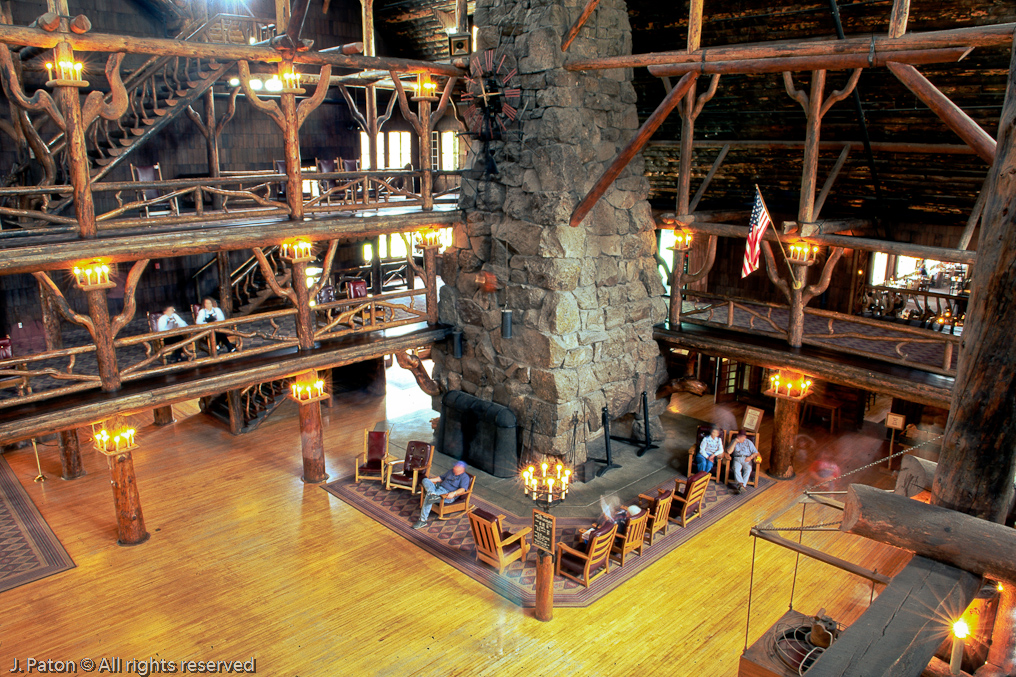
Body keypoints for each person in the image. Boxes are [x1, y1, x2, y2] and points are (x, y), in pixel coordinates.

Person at [413, 461, 471, 529]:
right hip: (438, 488)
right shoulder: (451, 471)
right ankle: (432, 493)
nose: (454, 468)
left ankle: (423, 520)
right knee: (425, 480)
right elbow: (440, 478)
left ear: (462, 469)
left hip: (447, 494)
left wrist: (454, 493)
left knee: (429, 498)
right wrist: (429, 481)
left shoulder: (465, 477)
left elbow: (463, 489)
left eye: (456, 467)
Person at [727, 430, 760, 494]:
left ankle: (741, 486)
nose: (741, 438)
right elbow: (729, 452)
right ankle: (741, 485)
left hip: (746, 458)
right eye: (740, 436)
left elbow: (756, 452)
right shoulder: (734, 441)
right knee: (736, 469)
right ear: (737, 436)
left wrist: (750, 457)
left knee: (748, 469)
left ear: (745, 437)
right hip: (737, 458)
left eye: (743, 436)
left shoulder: (749, 442)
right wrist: (735, 442)